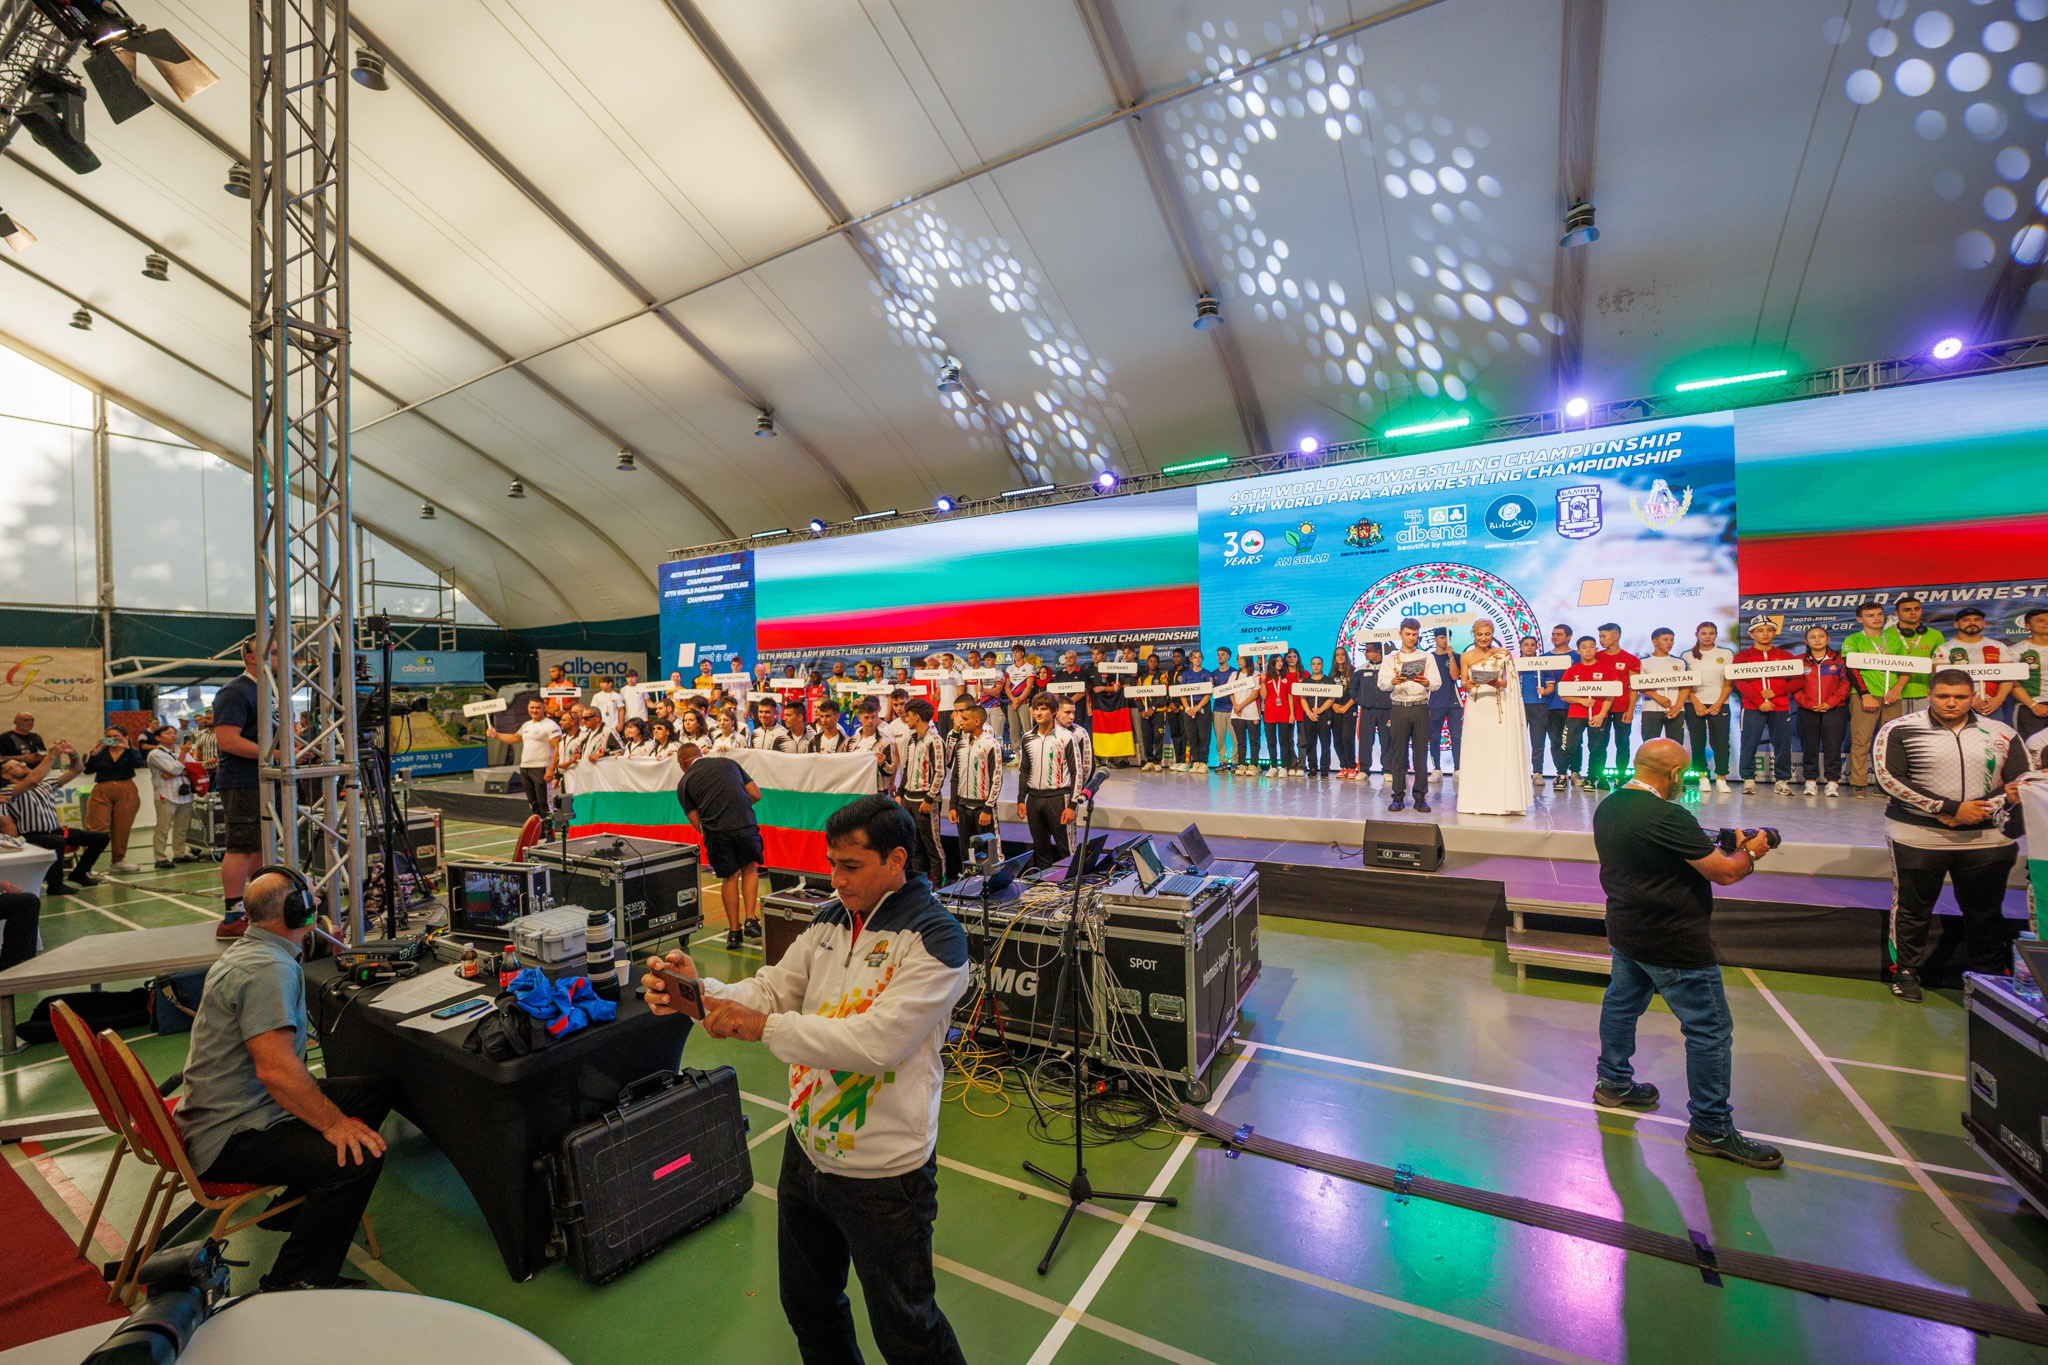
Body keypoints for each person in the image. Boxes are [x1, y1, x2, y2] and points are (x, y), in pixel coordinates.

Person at [642, 796, 970, 1365]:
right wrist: (701, 992)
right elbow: (771, 989)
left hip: (884, 1175)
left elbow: (877, 1043)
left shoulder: (936, 940)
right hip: (807, 1154)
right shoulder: (828, 921)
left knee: (907, 1331)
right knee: (809, 1306)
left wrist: (763, 1027)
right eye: (832, 864)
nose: (836, 879)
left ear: (896, 859)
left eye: (851, 866)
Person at [175, 870, 391, 1291]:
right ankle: (296, 1281)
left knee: (374, 1091)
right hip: (232, 1135)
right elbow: (275, 1071)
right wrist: (334, 1123)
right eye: (310, 897)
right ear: (299, 911)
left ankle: (296, 1206)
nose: (316, 903)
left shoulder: (250, 953)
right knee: (359, 1161)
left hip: (233, 1110)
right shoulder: (269, 971)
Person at [1591, 739, 1783, 1169]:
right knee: (1709, 1030)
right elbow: (1725, 873)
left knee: (1622, 1003)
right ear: (1675, 774)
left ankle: (1613, 1082)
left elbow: (1665, 852)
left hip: (1627, 928)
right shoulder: (1668, 815)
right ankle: (1711, 1128)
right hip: (1673, 939)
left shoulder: (1611, 804)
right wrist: (1750, 851)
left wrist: (1718, 842)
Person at [1873, 669, 2029, 1002]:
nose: (1951, 702)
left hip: (1987, 838)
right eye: (1943, 696)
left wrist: (1978, 809)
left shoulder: (2001, 732)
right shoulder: (1899, 728)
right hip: (1917, 835)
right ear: (1930, 695)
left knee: (1985, 911)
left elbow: (2022, 781)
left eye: (1960, 697)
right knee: (1913, 909)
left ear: (1973, 697)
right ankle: (1906, 972)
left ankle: (1988, 977)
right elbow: (1889, 778)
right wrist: (1948, 807)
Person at [676, 742, 765, 951]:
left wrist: (717, 822)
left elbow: (696, 823)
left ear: (682, 762)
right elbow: (755, 794)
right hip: (744, 823)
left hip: (717, 832)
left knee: (729, 877)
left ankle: (734, 933)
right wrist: (737, 810)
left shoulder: (684, 783)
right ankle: (751, 919)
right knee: (749, 868)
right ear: (700, 754)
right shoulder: (729, 763)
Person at [211, 640, 268, 937]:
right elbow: (228, 741)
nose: (282, 656)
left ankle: (261, 907)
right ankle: (233, 915)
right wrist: (276, 755)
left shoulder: (269, 690)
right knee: (241, 847)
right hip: (243, 781)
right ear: (250, 657)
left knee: (260, 845)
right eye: (272, 651)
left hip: (264, 779)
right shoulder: (235, 692)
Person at [0, 742, 105, 894]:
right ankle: (55, 884)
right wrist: (51, 756)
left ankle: (79, 873)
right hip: (31, 835)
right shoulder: (7, 791)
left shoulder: (45, 784)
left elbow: (76, 769)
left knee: (100, 838)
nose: (23, 765)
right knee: (57, 841)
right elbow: (32, 781)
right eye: (16, 765)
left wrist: (73, 754)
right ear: (6, 775)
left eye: (21, 763)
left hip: (56, 831)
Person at [1455, 620, 1531, 815]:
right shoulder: (1466, 656)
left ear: (1492, 634)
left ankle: (1500, 802)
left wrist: (1501, 683)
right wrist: (1467, 685)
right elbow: (1463, 682)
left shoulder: (1503, 654)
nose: (1483, 638)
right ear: (1474, 634)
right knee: (1476, 752)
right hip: (1476, 706)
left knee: (1497, 752)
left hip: (1498, 708)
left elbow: (1511, 681)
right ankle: (1474, 802)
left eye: (1487, 634)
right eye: (1479, 634)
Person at [1377, 620, 1441, 812]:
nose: (1411, 638)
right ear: (1400, 634)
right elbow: (1382, 684)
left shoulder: (1427, 657)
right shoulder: (1390, 658)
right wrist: (1393, 681)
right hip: (1399, 707)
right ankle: (1397, 797)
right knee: (1398, 753)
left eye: (1414, 634)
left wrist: (1427, 682)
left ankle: (1420, 797)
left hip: (1420, 707)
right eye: (1407, 634)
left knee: (1420, 753)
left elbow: (1437, 683)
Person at [1016, 693, 1083, 869]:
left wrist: (1072, 805)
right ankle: (1044, 884)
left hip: (1059, 798)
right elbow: (1024, 770)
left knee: (1065, 849)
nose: (1038, 713)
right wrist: (1021, 799)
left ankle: (1070, 885)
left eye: (1043, 709)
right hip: (1034, 799)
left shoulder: (1066, 737)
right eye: (1036, 709)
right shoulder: (1027, 737)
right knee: (1040, 849)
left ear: (1054, 711)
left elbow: (1077, 772)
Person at [1732, 619, 1797, 795]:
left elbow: (1798, 680)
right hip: (1753, 707)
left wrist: (1776, 692)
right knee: (1749, 743)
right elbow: (1740, 682)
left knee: (1783, 744)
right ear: (1751, 634)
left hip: (1780, 706)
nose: (1765, 633)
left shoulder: (1785, 656)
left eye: (1769, 630)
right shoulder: (1742, 657)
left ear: (1774, 633)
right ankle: (1748, 780)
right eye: (1760, 630)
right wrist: (1759, 701)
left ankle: (1782, 781)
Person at [1792, 625, 1850, 796]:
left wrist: (1830, 703)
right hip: (1807, 710)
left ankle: (1832, 782)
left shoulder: (1839, 660)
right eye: (1813, 637)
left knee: (1833, 745)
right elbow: (1794, 686)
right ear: (1806, 641)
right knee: (1809, 746)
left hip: (1834, 709)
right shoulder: (1799, 661)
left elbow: (1845, 684)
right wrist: (1809, 704)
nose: (1817, 640)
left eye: (1821, 636)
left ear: (1828, 639)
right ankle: (1810, 781)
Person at [895, 699, 947, 883]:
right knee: (915, 846)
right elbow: (907, 767)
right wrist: (900, 794)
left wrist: (929, 799)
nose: (905, 718)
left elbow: (940, 772)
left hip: (925, 800)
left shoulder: (935, 740)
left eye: (908, 715)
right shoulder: (912, 739)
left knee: (933, 846)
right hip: (909, 799)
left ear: (917, 717)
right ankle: (919, 885)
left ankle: (940, 887)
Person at [83, 726, 146, 874]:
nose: (112, 739)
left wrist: (127, 748)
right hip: (102, 789)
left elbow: (139, 764)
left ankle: (118, 861)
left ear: (124, 737)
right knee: (96, 827)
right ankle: (85, 865)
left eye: (116, 736)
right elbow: (87, 770)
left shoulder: (131, 752)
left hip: (126, 788)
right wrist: (94, 753)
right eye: (109, 736)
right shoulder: (100, 753)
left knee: (122, 827)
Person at [1940, 606, 2016, 726]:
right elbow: (1943, 678)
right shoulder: (1944, 649)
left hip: (1991, 704)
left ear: (1983, 623)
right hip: (1959, 704)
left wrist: (1998, 699)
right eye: (1966, 620)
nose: (1972, 623)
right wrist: (1970, 698)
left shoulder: (1998, 646)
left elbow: (2009, 676)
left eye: (1977, 619)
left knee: (1995, 736)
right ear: (1956, 624)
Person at [1682, 621, 1735, 794]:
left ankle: (1721, 778)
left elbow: (1729, 682)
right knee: (1697, 742)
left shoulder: (1726, 653)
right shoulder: (1687, 655)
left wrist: (1718, 703)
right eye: (1703, 633)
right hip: (1694, 704)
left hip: (1720, 703)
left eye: (1711, 633)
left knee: (1721, 742)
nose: (1707, 636)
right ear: (1696, 635)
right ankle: (1702, 777)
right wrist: (1696, 702)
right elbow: (1685, 683)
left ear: (1716, 635)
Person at [945, 700, 1003, 854]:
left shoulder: (991, 744)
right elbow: (954, 777)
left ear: (977, 722)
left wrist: (988, 808)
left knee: (991, 853)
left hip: (982, 808)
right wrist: (953, 805)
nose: (961, 722)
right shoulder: (961, 744)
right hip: (963, 807)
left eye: (965, 719)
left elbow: (997, 779)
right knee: (967, 853)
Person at [1558, 635, 1608, 791]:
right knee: (1568, 746)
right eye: (1584, 647)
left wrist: (1601, 714)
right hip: (1576, 714)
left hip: (1598, 715)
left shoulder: (1605, 669)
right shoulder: (1572, 671)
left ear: (1596, 649)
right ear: (1578, 651)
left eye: (1591, 647)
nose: (1588, 650)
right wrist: (1581, 701)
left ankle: (1591, 778)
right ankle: (1561, 776)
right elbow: (1563, 694)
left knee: (1597, 748)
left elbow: (1611, 695)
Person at [146, 725, 196, 868]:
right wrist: (179, 767)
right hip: (166, 795)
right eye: (168, 733)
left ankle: (179, 853)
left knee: (182, 827)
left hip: (184, 795)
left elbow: (193, 768)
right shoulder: (155, 754)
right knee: (163, 828)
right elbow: (174, 770)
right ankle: (160, 857)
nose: (173, 735)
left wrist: (177, 770)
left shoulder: (180, 750)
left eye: (174, 733)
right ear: (158, 737)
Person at [1636, 629, 1691, 742]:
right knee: (1649, 744)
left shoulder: (1679, 662)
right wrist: (1658, 697)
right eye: (1665, 640)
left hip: (1675, 710)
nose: (1669, 643)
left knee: (1676, 744)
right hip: (1651, 709)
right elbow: (1638, 685)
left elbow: (1686, 686)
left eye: (1672, 640)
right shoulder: (1643, 662)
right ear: (1655, 642)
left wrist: (1678, 706)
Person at [1891, 596, 1944, 713]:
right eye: (1907, 610)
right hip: (1893, 693)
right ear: (1896, 613)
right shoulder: (1885, 634)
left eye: (1917, 609)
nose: (1913, 613)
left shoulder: (1935, 635)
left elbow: (1939, 666)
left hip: (1924, 692)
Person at [1425, 629, 1463, 781]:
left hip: (1454, 703)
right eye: (1441, 637)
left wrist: (1451, 656)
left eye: (1447, 637)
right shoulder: (1429, 658)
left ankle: (1458, 769)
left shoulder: (1456, 656)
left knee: (1456, 738)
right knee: (1434, 737)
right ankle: (1436, 769)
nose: (1445, 640)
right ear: (1435, 639)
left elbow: (1455, 676)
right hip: (1434, 703)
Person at [1518, 636, 1556, 783]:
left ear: (1536, 647)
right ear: (1520, 646)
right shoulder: (1514, 664)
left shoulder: (1543, 665)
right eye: (1526, 644)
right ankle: (1518, 772)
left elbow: (1550, 687)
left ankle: (1537, 773)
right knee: (1517, 741)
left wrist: (1544, 691)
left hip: (1539, 706)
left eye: (1532, 645)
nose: (1529, 647)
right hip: (1519, 706)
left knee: (1538, 742)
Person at [1353, 641, 1390, 783]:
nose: (1365, 653)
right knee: (1365, 741)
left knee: (1387, 740)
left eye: (1368, 651)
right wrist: (1361, 701)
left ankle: (1388, 770)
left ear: (1378, 652)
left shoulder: (1388, 668)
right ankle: (1363, 769)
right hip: (1367, 710)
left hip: (1386, 710)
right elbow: (1353, 689)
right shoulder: (1360, 670)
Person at [849, 699, 898, 793]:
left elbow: (891, 770)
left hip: (878, 791)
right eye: (866, 718)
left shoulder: (885, 741)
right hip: (857, 789)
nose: (870, 721)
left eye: (873, 717)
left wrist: (883, 764)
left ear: (877, 717)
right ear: (859, 718)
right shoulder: (852, 741)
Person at [1259, 655, 1297, 776]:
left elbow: (1290, 695)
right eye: (1277, 661)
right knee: (1271, 741)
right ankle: (1273, 766)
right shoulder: (1265, 677)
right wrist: (1263, 681)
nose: (1280, 663)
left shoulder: (1287, 677)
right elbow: (1263, 696)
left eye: (1281, 661)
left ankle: (1284, 767)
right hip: (1270, 713)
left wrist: (1292, 713)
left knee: (1284, 741)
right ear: (1272, 662)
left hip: (1284, 713)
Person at [1296, 656, 1335, 776]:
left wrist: (1320, 710)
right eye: (1314, 664)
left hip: (1324, 716)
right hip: (1309, 717)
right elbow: (1302, 698)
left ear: (1322, 666)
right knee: (1310, 743)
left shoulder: (1329, 681)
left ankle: (1324, 769)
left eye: (1318, 664)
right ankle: (1313, 767)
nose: (1316, 666)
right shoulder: (1306, 681)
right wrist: (1309, 712)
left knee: (1325, 744)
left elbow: (1332, 698)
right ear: (1311, 666)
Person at [2014, 608, 2048, 742]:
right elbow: (2010, 682)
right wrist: (2033, 705)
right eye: (2040, 621)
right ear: (2027, 626)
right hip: (2032, 707)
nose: (2046, 623)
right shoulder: (2016, 651)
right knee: (2033, 748)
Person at [1229, 652, 1262, 775]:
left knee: (1254, 741)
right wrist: (1236, 706)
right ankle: (1242, 764)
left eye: (1241, 658)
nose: (1239, 661)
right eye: (1238, 659)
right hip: (1237, 714)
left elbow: (1255, 694)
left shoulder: (1256, 674)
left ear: (1247, 659)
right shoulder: (1234, 675)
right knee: (1241, 741)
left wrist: (1241, 705)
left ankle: (1253, 765)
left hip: (1252, 713)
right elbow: (1230, 692)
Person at [1209, 646, 1240, 773]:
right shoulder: (1213, 674)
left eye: (1222, 654)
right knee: (1220, 738)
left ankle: (1235, 762)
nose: (1220, 656)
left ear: (1228, 657)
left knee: (1236, 738)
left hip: (1232, 710)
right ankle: (1223, 762)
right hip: (1218, 709)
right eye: (1218, 654)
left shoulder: (1235, 673)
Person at [1329, 651, 1358, 778]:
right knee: (1337, 739)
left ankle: (1352, 767)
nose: (1340, 657)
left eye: (1342, 654)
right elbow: (1328, 693)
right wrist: (1333, 705)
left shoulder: (1354, 672)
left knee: (1347, 738)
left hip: (1349, 708)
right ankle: (1344, 766)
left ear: (1346, 656)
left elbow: (1357, 692)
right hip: (1335, 709)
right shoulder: (1332, 674)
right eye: (1337, 655)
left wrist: (1346, 706)